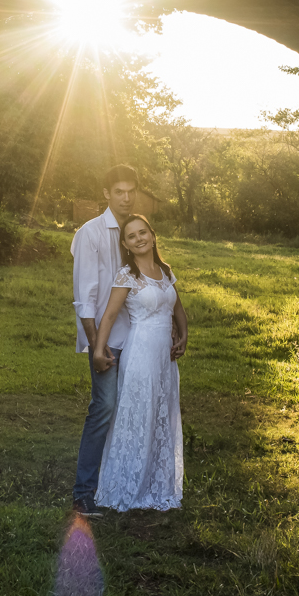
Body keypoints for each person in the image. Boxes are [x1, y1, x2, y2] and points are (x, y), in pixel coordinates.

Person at [90, 214, 188, 512]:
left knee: (162, 412)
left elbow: (177, 307)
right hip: (141, 352)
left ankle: (155, 483)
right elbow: (108, 315)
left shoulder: (165, 270)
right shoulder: (126, 275)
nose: (139, 238)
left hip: (164, 357)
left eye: (143, 232)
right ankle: (128, 484)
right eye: (132, 236)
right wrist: (97, 349)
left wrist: (184, 335)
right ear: (126, 244)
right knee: (139, 414)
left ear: (153, 235)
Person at [69, 166, 141, 517]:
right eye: (119, 191)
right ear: (106, 193)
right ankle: (83, 493)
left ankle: (118, 485)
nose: (126, 197)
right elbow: (85, 297)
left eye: (130, 191)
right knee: (104, 408)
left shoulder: (134, 232)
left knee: (128, 413)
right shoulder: (91, 233)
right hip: (106, 339)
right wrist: (97, 346)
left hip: (137, 335)